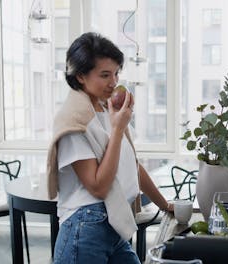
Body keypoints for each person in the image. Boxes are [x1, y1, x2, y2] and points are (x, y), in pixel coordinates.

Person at [46, 32, 173, 264]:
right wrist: (117, 129)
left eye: (116, 73)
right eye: (105, 75)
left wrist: (165, 205)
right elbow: (98, 186)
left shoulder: (109, 110)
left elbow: (132, 166)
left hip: (113, 224)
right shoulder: (73, 120)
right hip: (84, 227)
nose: (114, 82)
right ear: (81, 76)